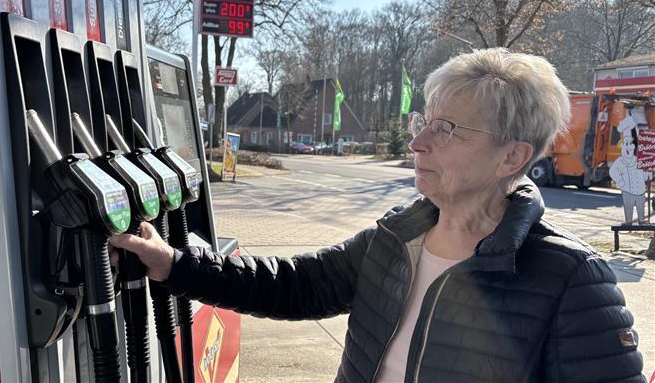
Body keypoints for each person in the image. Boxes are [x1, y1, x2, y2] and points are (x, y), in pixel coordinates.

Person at [110, 48, 645, 382]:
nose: (417, 142)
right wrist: (175, 264)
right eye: (425, 121)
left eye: (447, 130)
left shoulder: (573, 281)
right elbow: (294, 286)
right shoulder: (397, 238)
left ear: (512, 156)